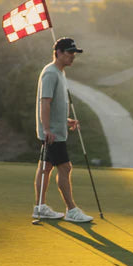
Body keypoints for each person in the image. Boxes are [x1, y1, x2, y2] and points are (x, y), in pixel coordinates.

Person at [32, 37, 94, 223]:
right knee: (65, 167)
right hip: (52, 134)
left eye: (74, 53)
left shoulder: (59, 73)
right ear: (58, 53)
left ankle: (40, 207)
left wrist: (65, 121)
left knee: (45, 167)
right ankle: (72, 210)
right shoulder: (50, 73)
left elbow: (55, 106)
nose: (72, 56)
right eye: (69, 52)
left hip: (55, 130)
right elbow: (45, 102)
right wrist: (47, 129)